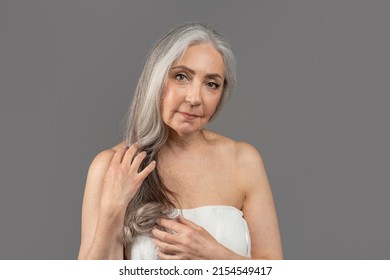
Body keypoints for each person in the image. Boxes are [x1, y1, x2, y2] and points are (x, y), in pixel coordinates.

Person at [77, 22, 283, 260]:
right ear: (156, 79)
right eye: (181, 76)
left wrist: (212, 253)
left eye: (211, 84)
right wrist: (112, 210)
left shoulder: (243, 162)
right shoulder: (113, 166)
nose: (195, 98)